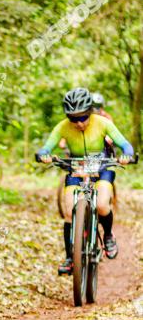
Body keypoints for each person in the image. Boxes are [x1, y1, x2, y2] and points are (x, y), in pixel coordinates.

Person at [37, 87, 134, 275]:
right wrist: (44, 155)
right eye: (74, 119)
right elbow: (46, 147)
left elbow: (125, 144)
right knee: (68, 211)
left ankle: (108, 236)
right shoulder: (63, 126)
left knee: (102, 205)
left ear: (90, 112)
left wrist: (126, 155)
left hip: (102, 168)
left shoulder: (103, 123)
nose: (79, 123)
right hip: (76, 168)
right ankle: (69, 257)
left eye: (83, 117)